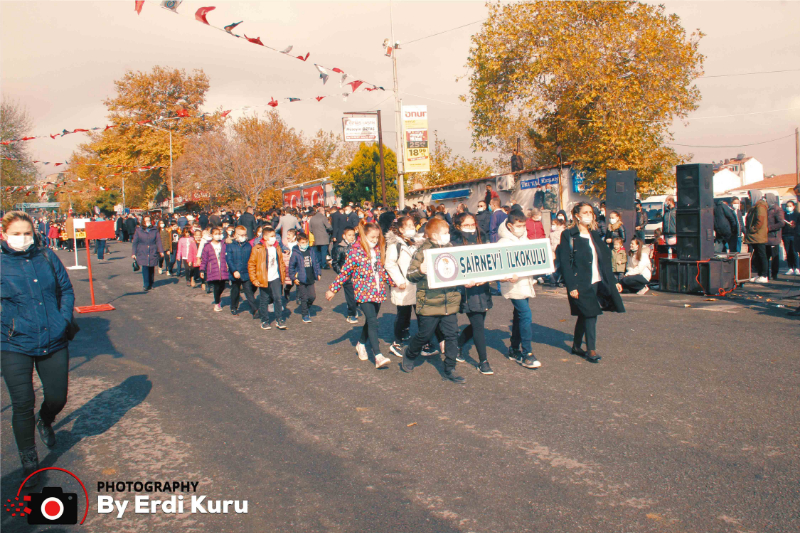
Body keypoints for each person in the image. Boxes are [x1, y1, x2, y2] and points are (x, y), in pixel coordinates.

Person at [1, 211, 74, 487]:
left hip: (53, 337)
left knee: (57, 397)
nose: (22, 239)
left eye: (27, 233)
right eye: (17, 234)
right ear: (5, 235)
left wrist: (62, 319)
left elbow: (65, 290)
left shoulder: (47, 257)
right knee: (22, 403)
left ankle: (45, 419)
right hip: (13, 342)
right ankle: (29, 460)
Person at [557, 202, 625, 364]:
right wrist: (571, 286)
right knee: (591, 313)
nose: (589, 215)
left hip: (596, 280)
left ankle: (576, 346)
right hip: (579, 282)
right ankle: (591, 349)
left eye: (591, 212)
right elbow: (565, 263)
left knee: (585, 313)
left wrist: (613, 281)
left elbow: (605, 259)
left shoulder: (594, 234)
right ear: (577, 216)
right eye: (585, 212)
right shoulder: (569, 235)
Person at [400, 218, 465, 383]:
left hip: (448, 301)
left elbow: (460, 270)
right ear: (435, 235)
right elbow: (411, 274)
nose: (448, 235)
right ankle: (410, 353)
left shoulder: (450, 249)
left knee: (452, 335)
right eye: (445, 233)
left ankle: (450, 368)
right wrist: (420, 270)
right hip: (429, 301)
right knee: (424, 335)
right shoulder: (422, 251)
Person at [327, 222, 394, 370]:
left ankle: (361, 344)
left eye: (377, 237)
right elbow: (345, 272)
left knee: (372, 321)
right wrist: (333, 289)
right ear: (364, 236)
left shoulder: (377, 250)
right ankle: (378, 356)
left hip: (377, 291)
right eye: (372, 237)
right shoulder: (355, 251)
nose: (375, 240)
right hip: (363, 292)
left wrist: (393, 283)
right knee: (372, 320)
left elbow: (381, 270)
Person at [497, 210, 541, 369]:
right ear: (510, 226)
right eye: (519, 225)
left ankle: (514, 348)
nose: (522, 228)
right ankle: (527, 353)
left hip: (525, 282)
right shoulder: (503, 243)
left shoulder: (525, 239)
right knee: (525, 314)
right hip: (513, 285)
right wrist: (507, 275)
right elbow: (498, 266)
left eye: (524, 225)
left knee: (518, 315)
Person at [451, 213, 494, 375]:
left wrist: (487, 278)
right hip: (467, 291)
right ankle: (483, 361)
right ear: (458, 226)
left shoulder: (482, 239)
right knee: (478, 325)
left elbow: (491, 263)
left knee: (479, 322)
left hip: (482, 289)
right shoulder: (453, 243)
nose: (470, 228)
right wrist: (462, 281)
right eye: (466, 225)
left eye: (472, 224)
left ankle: (458, 345)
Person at [385, 216, 420, 358]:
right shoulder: (395, 245)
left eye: (413, 226)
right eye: (409, 226)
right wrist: (399, 280)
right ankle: (396, 342)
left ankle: (424, 341)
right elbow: (389, 264)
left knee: (421, 313)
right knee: (403, 314)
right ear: (400, 229)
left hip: (417, 284)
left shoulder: (417, 242)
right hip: (404, 285)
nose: (413, 228)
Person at [249, 227, 288, 330]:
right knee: (264, 300)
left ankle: (279, 319)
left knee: (278, 299)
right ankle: (265, 321)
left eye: (274, 236)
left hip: (275, 277)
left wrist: (282, 275)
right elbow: (251, 264)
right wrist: (254, 279)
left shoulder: (277, 247)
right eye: (271, 236)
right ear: (265, 237)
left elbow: (281, 263)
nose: (274, 238)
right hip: (263, 278)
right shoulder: (258, 248)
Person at [226, 226, 259, 318]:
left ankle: (255, 309)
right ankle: (234, 307)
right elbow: (229, 260)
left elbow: (251, 259)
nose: (244, 236)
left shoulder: (248, 246)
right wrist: (234, 271)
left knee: (249, 291)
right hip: (235, 273)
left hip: (246, 272)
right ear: (236, 235)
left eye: (245, 234)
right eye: (242, 235)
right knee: (235, 291)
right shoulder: (230, 246)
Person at [288, 232, 321, 323]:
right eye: (302, 242)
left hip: (310, 277)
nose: (304, 244)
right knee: (304, 297)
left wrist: (318, 273)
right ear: (298, 243)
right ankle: (305, 314)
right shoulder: (295, 253)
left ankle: (307, 306)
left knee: (312, 296)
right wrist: (294, 278)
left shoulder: (311, 251)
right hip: (301, 279)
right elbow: (291, 267)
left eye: (306, 242)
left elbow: (316, 262)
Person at [332, 226, 359, 323]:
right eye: (349, 235)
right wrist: (343, 274)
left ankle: (354, 307)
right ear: (344, 236)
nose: (352, 237)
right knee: (351, 296)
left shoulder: (358, 246)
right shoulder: (340, 248)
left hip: (358, 276)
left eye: (353, 235)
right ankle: (351, 314)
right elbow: (335, 263)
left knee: (358, 296)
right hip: (347, 277)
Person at [131, 215, 164, 291]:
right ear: (143, 222)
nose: (148, 222)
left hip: (152, 250)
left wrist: (161, 250)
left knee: (151, 267)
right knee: (145, 267)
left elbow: (158, 241)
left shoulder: (154, 230)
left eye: (149, 220)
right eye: (146, 220)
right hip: (143, 251)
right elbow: (135, 242)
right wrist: (133, 253)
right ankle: (146, 284)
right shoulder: (139, 230)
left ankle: (151, 282)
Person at [199, 227, 229, 312]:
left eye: (219, 234)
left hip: (223, 268)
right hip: (212, 269)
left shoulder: (223, 244)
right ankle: (217, 303)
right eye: (216, 234)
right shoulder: (207, 246)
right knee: (216, 286)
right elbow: (204, 259)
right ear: (211, 235)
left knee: (222, 286)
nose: (218, 236)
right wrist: (202, 270)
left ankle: (218, 297)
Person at [744, 190, 769, 283]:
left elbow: (760, 221)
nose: (749, 198)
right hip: (755, 236)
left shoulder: (760, 206)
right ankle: (759, 274)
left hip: (758, 236)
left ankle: (764, 275)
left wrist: (753, 229)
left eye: (750, 196)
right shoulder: (755, 206)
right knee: (758, 255)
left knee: (762, 255)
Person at [765, 193, 785, 281]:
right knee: (766, 256)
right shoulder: (767, 209)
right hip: (766, 237)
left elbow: (781, 223)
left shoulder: (777, 209)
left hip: (774, 237)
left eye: (766, 198)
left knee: (774, 257)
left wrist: (769, 228)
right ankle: (766, 274)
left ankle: (774, 274)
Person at [783, 199, 798, 275]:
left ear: (793, 207)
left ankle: (797, 267)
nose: (788, 207)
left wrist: (794, 225)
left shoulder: (797, 215)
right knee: (788, 252)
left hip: (794, 235)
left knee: (794, 252)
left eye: (790, 206)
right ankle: (790, 267)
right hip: (785, 235)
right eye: (787, 206)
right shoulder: (784, 215)